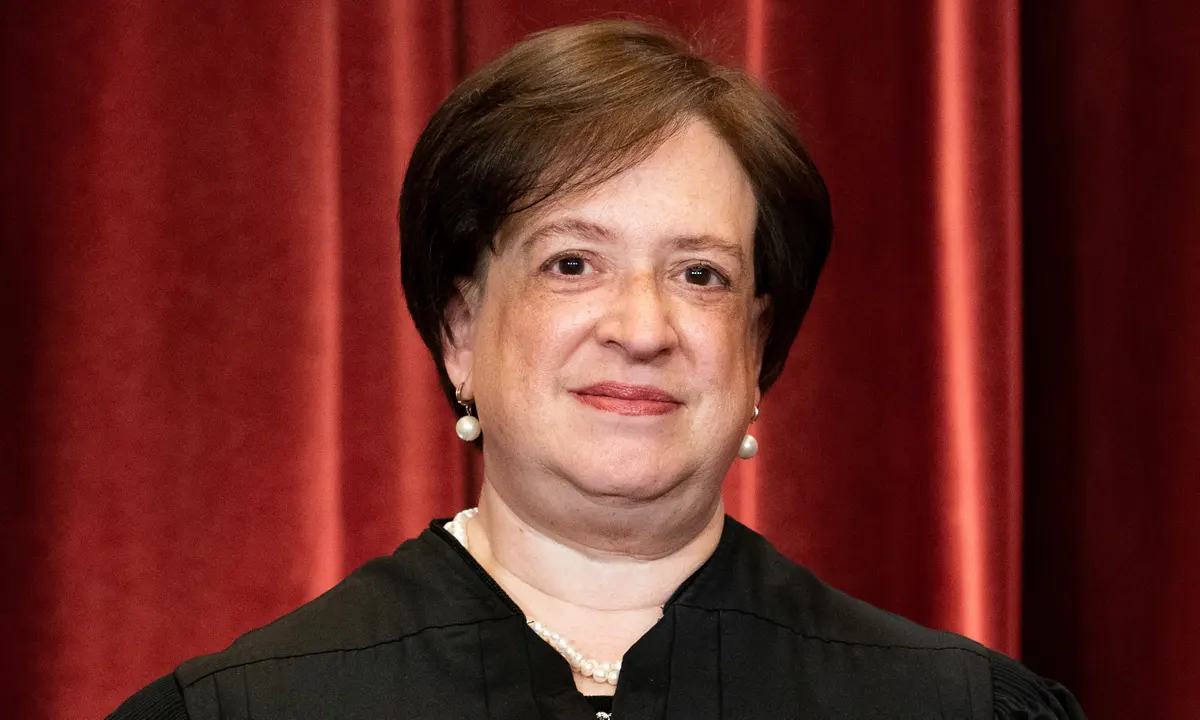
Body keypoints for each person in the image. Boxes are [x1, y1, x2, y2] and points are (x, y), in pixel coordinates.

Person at [109, 19, 1085, 720]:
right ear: (459, 329)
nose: (642, 326)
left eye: (700, 275)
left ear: (757, 354)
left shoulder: (949, 705)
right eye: (572, 263)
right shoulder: (252, 708)